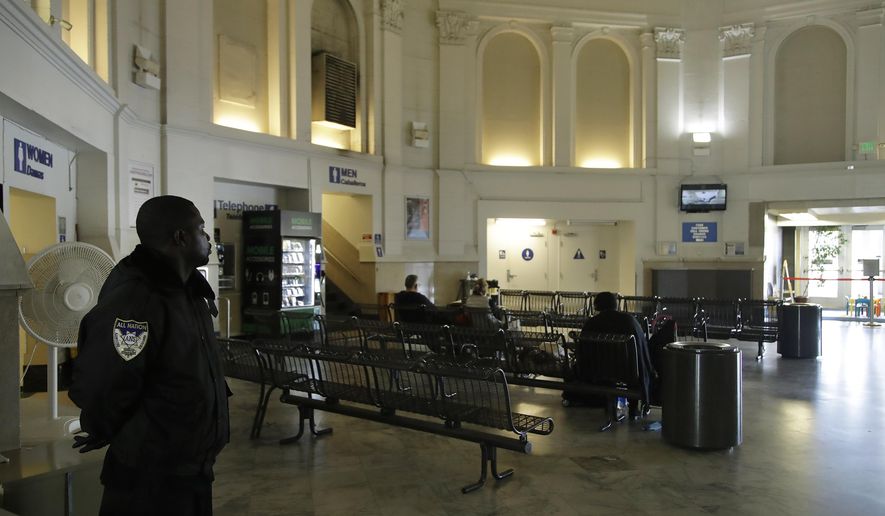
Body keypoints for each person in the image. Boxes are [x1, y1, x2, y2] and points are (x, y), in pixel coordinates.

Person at [69, 195, 230, 516]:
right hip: (148, 479)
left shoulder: (190, 293)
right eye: (201, 229)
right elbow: (106, 380)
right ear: (180, 238)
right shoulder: (138, 301)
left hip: (191, 472)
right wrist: (102, 426)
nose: (208, 237)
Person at [579, 291, 656, 418]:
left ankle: (610, 408)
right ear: (616, 305)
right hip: (629, 371)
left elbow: (584, 350)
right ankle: (633, 409)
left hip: (598, 370)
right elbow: (642, 350)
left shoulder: (591, 323)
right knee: (634, 367)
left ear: (597, 306)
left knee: (608, 369)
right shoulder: (629, 321)